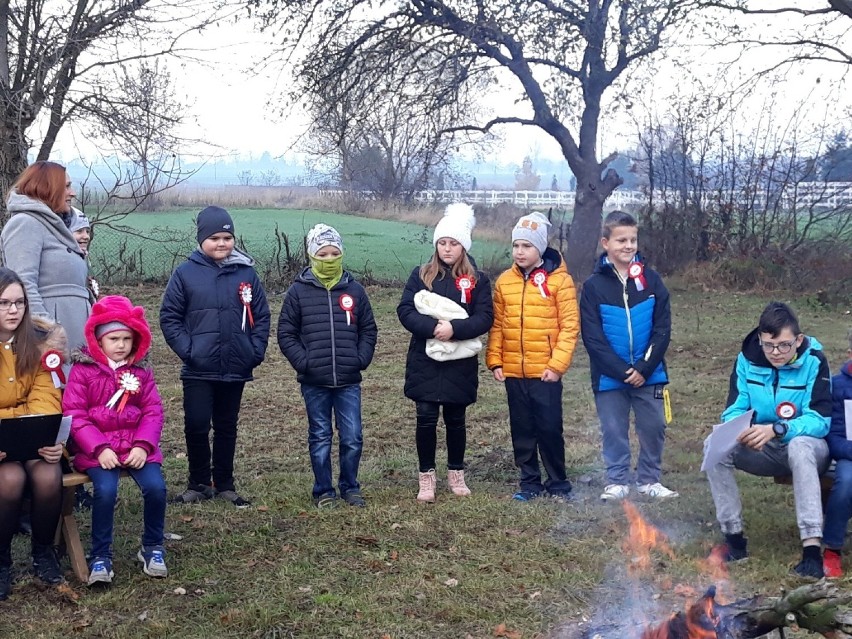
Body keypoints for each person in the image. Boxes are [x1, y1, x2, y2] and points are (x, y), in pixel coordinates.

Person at [705, 301, 831, 579]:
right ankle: (734, 539)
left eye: (784, 345)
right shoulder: (746, 360)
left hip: (806, 446)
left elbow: (821, 420)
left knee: (799, 447)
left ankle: (811, 549)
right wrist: (741, 429)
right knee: (714, 445)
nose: (776, 353)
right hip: (760, 445)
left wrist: (777, 429)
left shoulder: (815, 360)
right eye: (769, 345)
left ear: (798, 340)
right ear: (760, 339)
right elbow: (735, 408)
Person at [160, 206, 270, 508]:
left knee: (226, 425)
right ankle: (198, 482)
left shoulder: (247, 274)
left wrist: (254, 351)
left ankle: (224, 484)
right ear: (201, 240)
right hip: (199, 368)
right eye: (214, 238)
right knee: (196, 424)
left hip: (236, 365)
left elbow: (261, 315)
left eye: (227, 237)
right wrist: (190, 351)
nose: (221, 244)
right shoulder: (185, 273)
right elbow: (170, 317)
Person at [63, 295, 168, 585]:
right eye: (114, 338)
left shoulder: (141, 371)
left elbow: (153, 411)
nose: (121, 345)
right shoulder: (83, 371)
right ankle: (100, 556)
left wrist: (143, 445)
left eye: (127, 338)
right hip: (98, 453)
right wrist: (99, 448)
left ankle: (153, 546)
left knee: (156, 489)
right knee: (106, 493)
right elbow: (75, 414)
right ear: (99, 340)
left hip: (137, 449)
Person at [397, 204, 493, 502]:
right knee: (425, 417)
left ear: (463, 246)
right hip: (425, 359)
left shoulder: (478, 280)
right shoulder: (421, 275)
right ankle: (426, 476)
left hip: (459, 361)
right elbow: (405, 310)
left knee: (456, 418)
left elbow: (485, 316)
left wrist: (455, 329)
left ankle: (456, 472)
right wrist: (432, 327)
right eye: (442, 243)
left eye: (453, 243)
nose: (447, 249)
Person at [278, 224, 378, 509]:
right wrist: (303, 362)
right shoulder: (298, 292)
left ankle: (350, 486)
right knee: (320, 437)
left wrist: (360, 359)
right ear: (312, 255)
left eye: (335, 252)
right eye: (323, 253)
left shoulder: (355, 290)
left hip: (348, 380)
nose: (330, 258)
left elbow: (369, 329)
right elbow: (286, 332)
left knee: (353, 437)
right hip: (314, 381)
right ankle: (323, 490)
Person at [579, 211, 677, 502]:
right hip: (610, 376)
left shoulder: (652, 280)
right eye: (621, 240)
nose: (628, 245)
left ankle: (649, 479)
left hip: (651, 374)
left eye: (633, 239)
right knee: (613, 429)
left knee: (654, 426)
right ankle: (617, 479)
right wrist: (622, 371)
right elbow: (593, 338)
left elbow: (662, 328)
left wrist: (644, 368)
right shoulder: (594, 287)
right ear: (605, 243)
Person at [486, 212, 579, 501]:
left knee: (549, 427)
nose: (519, 252)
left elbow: (569, 326)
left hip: (545, 372)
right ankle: (529, 482)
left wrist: (557, 365)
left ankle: (558, 482)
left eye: (526, 246)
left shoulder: (560, 282)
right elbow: (498, 324)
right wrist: (496, 360)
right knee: (522, 428)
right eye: (516, 246)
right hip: (515, 370)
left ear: (540, 248)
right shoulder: (504, 282)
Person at [0, 268, 65, 600]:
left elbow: (47, 397)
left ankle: (44, 553)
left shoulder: (39, 345)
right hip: (2, 450)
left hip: (34, 440)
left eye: (20, 302)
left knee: (49, 475)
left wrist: (48, 437)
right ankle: (1, 561)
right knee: (8, 480)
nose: (14, 311)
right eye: (4, 303)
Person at [0, 161, 91, 354]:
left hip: (75, 331)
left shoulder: (55, 225)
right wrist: (46, 333)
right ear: (47, 188)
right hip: (52, 338)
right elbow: (23, 285)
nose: (72, 192)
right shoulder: (25, 224)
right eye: (66, 186)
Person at [822, 328, 852, 578]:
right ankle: (832, 548)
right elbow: (833, 435)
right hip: (849, 455)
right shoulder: (838, 386)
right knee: (845, 482)